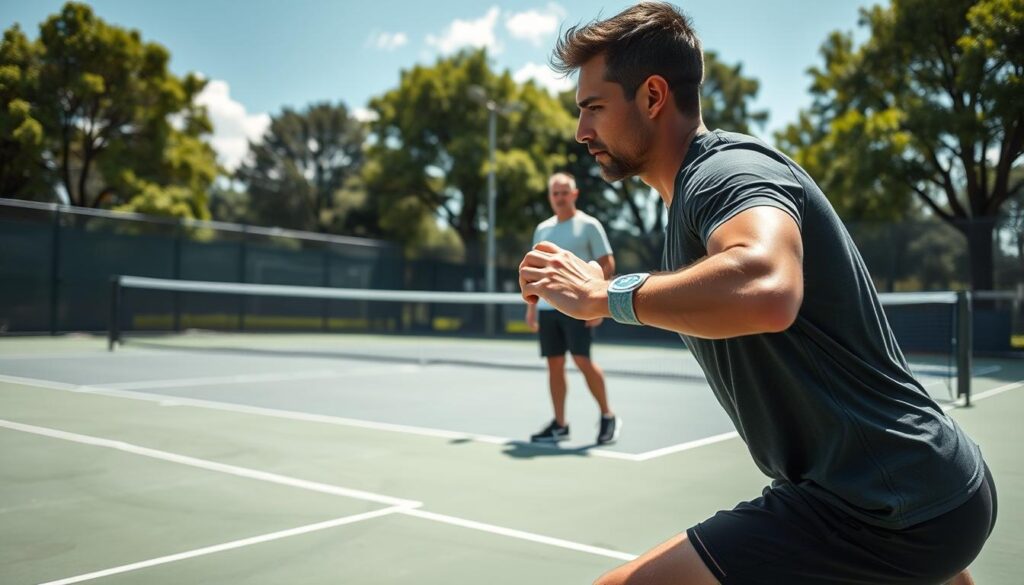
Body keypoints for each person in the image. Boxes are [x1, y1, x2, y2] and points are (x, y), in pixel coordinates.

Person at [519, 3, 996, 584]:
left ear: (651, 96)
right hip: (926, 494)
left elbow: (768, 287)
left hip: (879, 508)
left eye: (593, 107)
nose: (581, 130)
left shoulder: (726, 173)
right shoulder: (689, 201)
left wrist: (607, 296)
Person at [526, 172, 620, 445]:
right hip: (547, 309)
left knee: (582, 360)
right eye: (555, 193)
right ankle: (560, 424)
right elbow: (534, 269)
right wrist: (531, 307)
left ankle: (607, 416)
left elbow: (607, 264)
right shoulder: (542, 229)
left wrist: (598, 303)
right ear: (550, 197)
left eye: (564, 192)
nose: (559, 197)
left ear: (574, 194)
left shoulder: (589, 225)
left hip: (579, 307)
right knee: (554, 365)